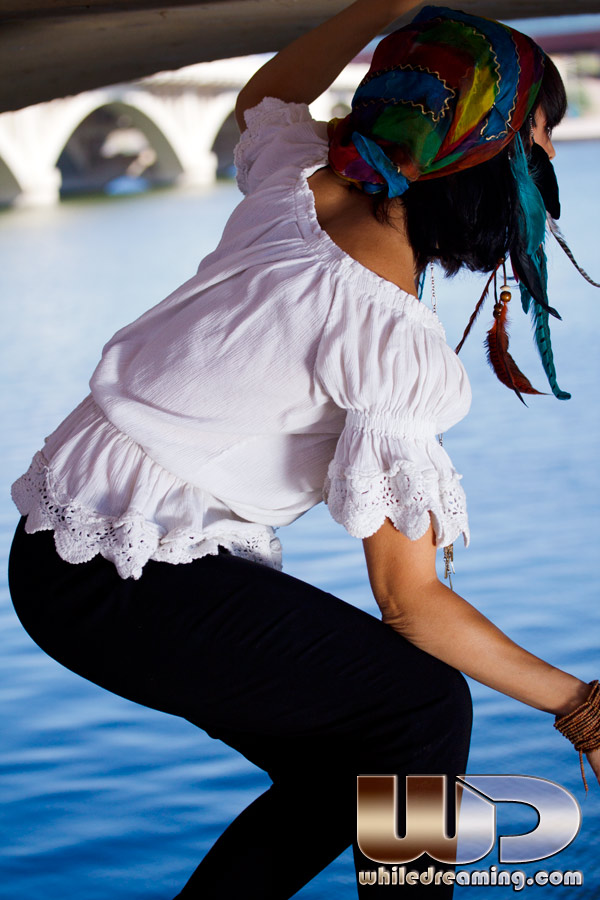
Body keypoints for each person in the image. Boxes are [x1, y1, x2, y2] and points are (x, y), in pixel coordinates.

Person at [7, 2, 600, 898]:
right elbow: (411, 603)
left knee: (354, 762)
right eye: (543, 135)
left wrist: (380, 8)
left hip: (64, 553)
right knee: (422, 708)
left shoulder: (298, 189)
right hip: (123, 575)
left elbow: (266, 98)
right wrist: (581, 707)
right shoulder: (385, 329)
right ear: (489, 155)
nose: (550, 158)